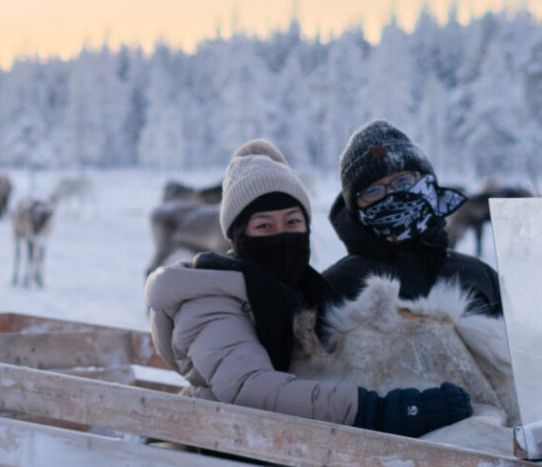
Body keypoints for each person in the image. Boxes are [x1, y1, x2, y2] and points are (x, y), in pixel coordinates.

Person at [144, 139, 473, 438]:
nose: (282, 235)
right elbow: (251, 387)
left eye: (292, 222)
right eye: (263, 226)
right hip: (228, 450)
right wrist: (379, 410)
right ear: (238, 236)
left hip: (286, 445)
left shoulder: (308, 291)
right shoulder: (210, 301)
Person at [323, 120, 502, 315]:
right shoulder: (333, 289)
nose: (392, 195)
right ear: (355, 208)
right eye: (373, 191)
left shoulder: (480, 277)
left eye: (403, 180)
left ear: (427, 183)